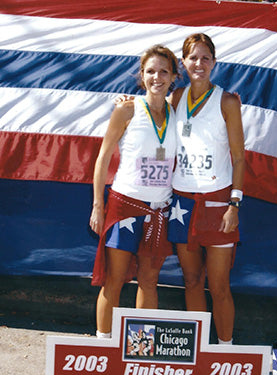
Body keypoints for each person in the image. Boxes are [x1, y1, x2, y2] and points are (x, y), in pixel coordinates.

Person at [89, 45, 179, 338]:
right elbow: (102, 158)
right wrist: (97, 206)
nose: (157, 77)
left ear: (174, 76)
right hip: (125, 205)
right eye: (150, 71)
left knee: (150, 281)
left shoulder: (178, 111)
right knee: (114, 280)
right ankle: (102, 348)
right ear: (141, 75)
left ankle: (142, 348)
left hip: (159, 208)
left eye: (164, 71)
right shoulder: (127, 108)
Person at [167, 33, 245, 345]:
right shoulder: (176, 98)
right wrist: (126, 102)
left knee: (220, 284)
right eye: (193, 58)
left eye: (205, 58)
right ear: (183, 63)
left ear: (214, 62)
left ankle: (224, 350)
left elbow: (239, 158)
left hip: (218, 202)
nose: (199, 63)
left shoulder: (227, 101)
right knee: (191, 280)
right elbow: (149, 114)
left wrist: (234, 204)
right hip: (182, 203)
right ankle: (197, 349)